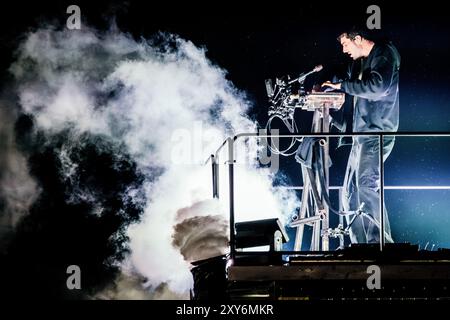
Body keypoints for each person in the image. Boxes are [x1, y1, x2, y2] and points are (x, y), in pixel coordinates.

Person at [322, 28, 400, 244]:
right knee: (349, 191)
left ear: (358, 39)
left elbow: (377, 87)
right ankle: (360, 245)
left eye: (346, 44)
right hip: (361, 135)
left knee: (366, 185)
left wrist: (342, 86)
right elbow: (346, 78)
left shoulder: (384, 53)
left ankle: (380, 245)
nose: (344, 50)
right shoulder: (362, 62)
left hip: (376, 133)